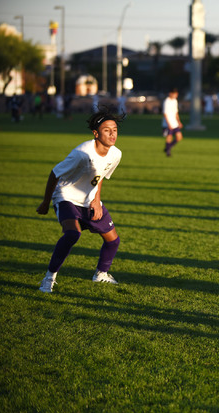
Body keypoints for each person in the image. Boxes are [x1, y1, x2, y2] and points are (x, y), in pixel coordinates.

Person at [36, 107, 125, 293]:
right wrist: (45, 203)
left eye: (115, 130)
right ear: (96, 133)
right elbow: (54, 173)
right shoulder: (82, 153)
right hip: (66, 196)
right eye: (107, 130)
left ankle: (101, 274)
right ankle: (48, 279)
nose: (112, 134)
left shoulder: (116, 154)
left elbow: (99, 177)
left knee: (113, 240)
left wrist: (96, 200)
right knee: (72, 234)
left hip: (89, 199)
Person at [162, 88, 183, 157]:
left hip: (174, 123)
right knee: (169, 137)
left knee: (179, 137)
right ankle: (168, 152)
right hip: (168, 123)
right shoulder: (166, 102)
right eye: (175, 94)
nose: (176, 96)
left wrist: (179, 122)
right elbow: (165, 114)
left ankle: (168, 147)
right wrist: (168, 124)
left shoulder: (175, 101)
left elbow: (176, 112)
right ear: (170, 93)